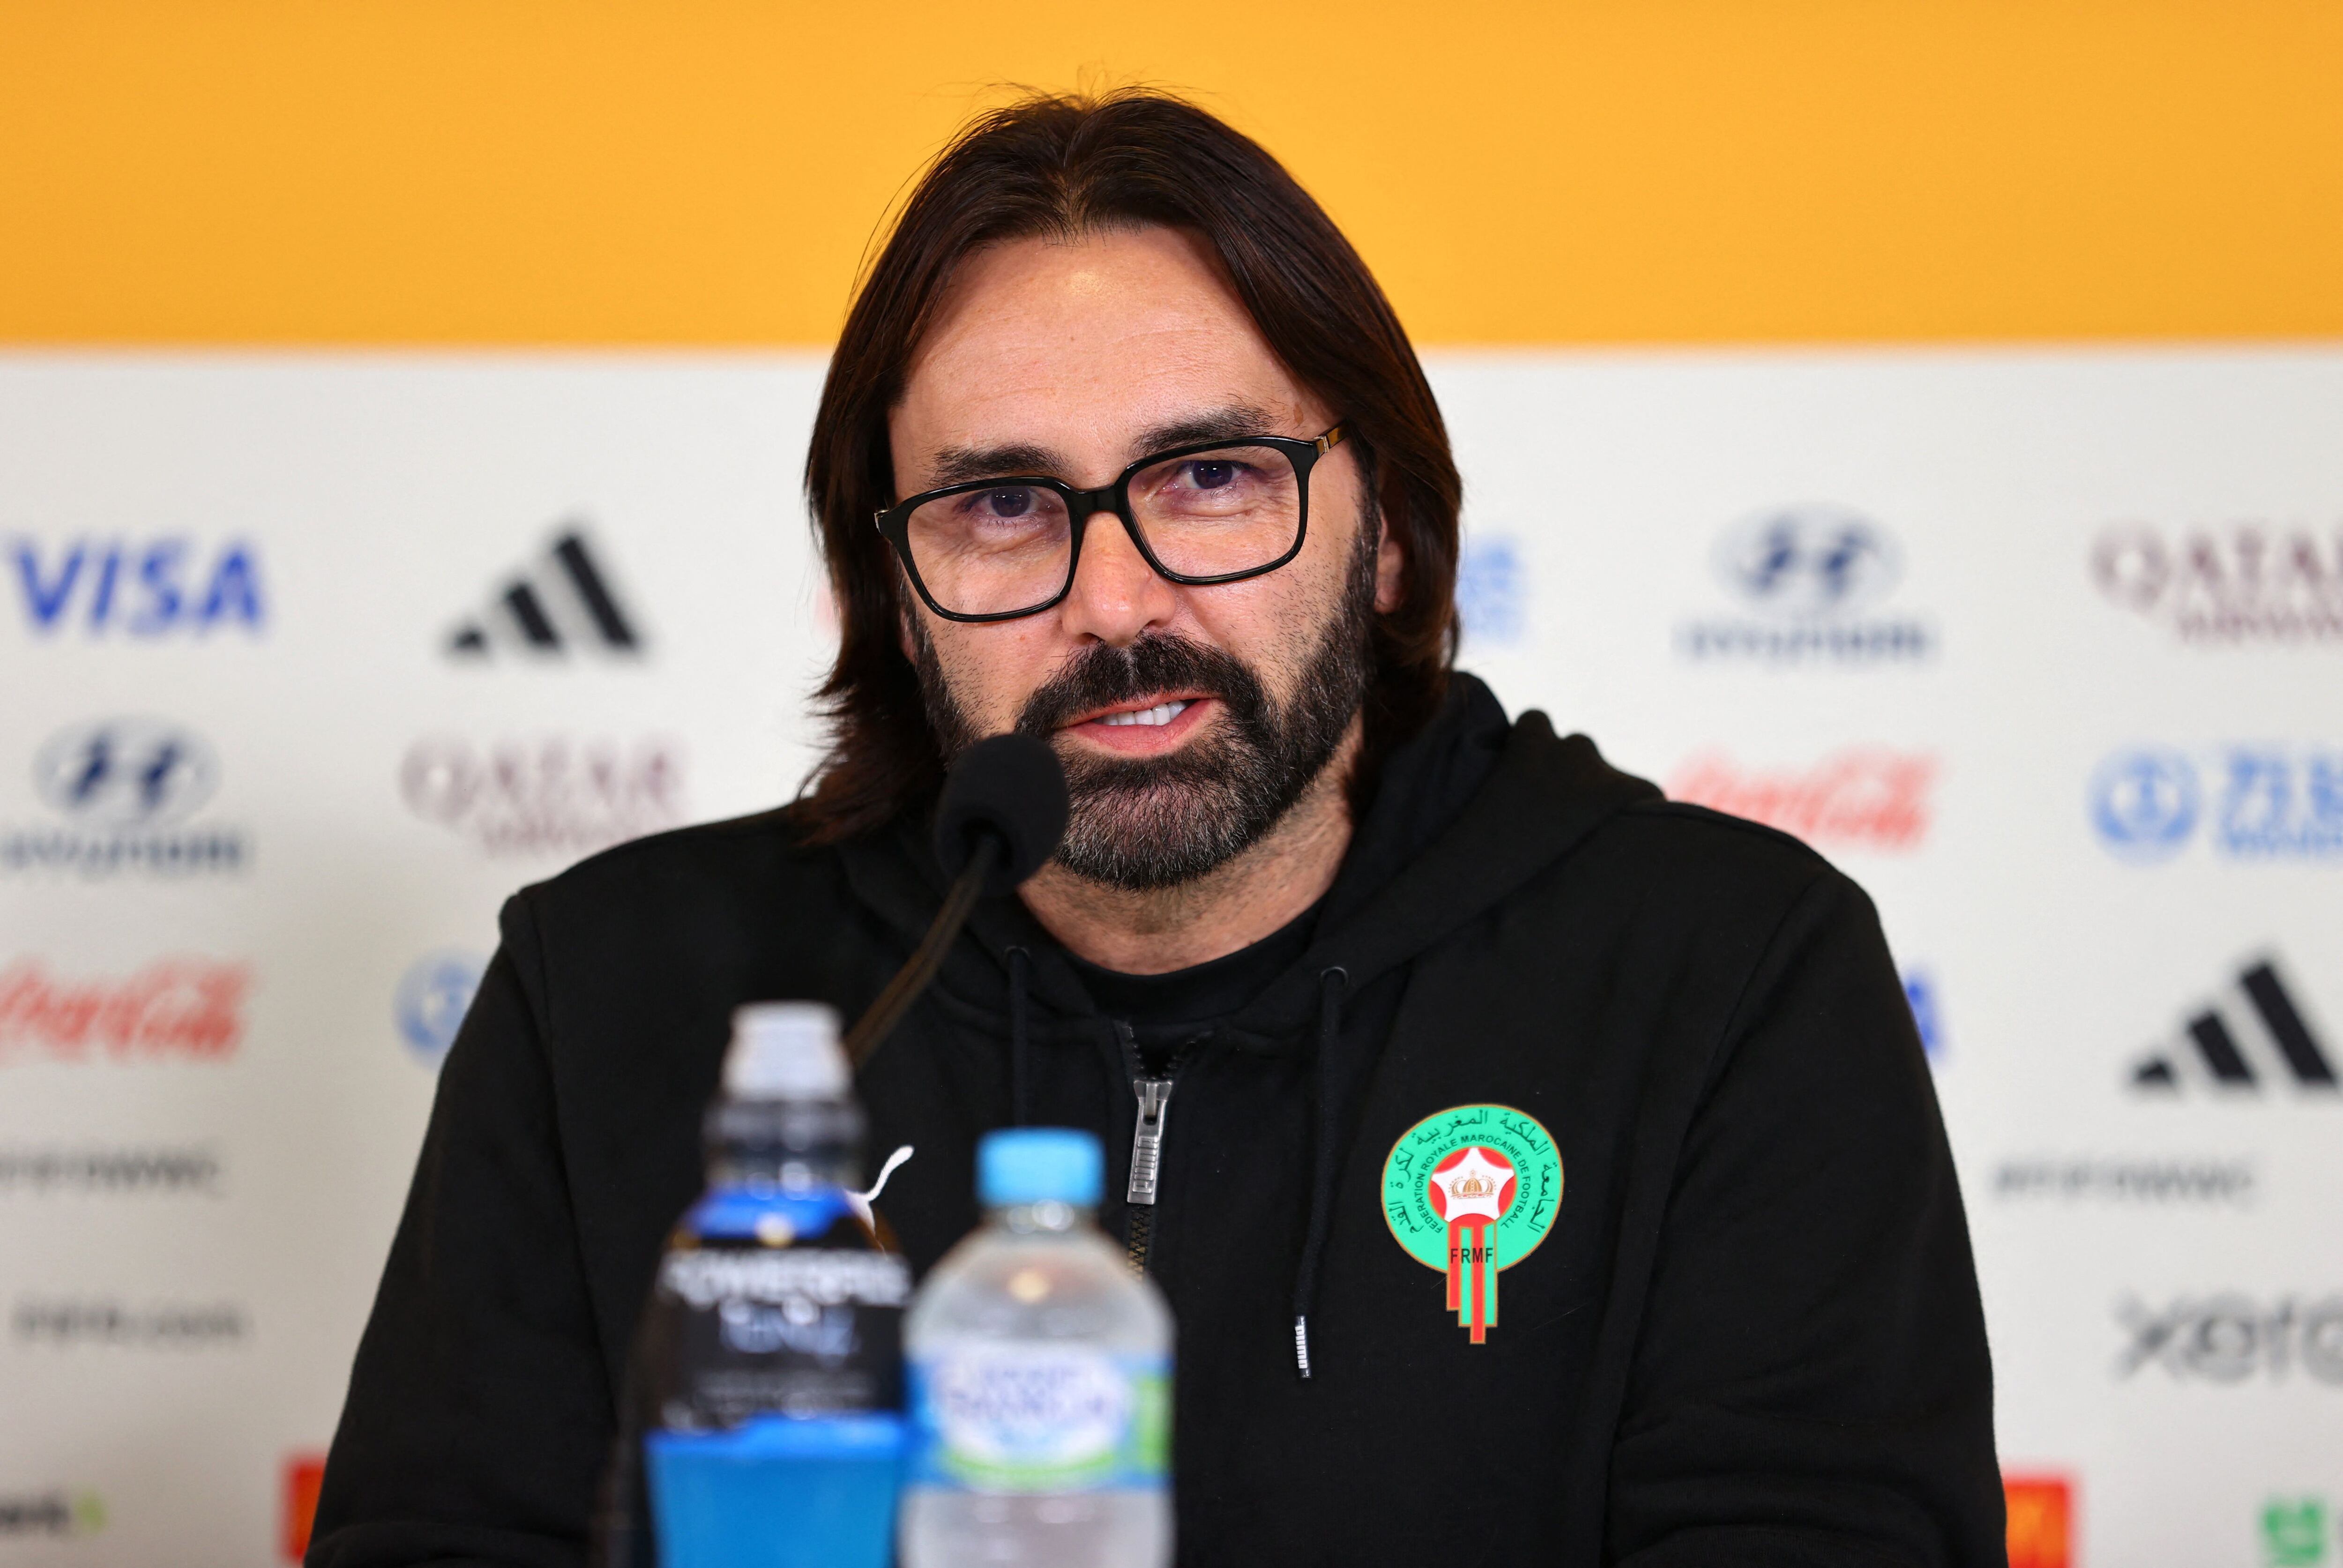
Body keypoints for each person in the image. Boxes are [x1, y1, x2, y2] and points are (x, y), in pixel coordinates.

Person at [311, 90, 2003, 1567]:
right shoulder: (614, 989)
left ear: (1391, 533)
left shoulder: (1725, 973)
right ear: (894, 597)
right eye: (1000, 505)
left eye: (1211, 477)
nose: (1117, 600)